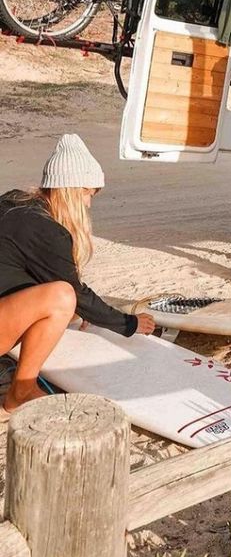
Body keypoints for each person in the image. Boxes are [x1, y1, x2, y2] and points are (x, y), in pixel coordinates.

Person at [0, 134, 155, 413]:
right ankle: (20, 392)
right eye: (88, 193)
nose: (88, 204)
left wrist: (79, 310)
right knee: (62, 298)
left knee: (65, 304)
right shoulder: (46, 229)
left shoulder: (14, 202)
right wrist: (128, 324)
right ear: (71, 191)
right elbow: (75, 292)